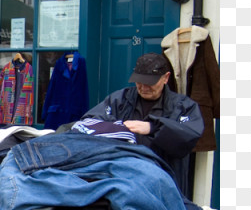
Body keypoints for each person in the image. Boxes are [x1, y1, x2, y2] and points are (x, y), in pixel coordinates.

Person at [80, 52, 204, 197]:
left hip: (165, 183)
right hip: (123, 181)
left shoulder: (184, 106)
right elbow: (89, 121)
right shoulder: (120, 99)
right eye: (139, 81)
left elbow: (189, 135)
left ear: (166, 78)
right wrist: (117, 127)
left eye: (150, 82)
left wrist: (153, 128)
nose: (144, 87)